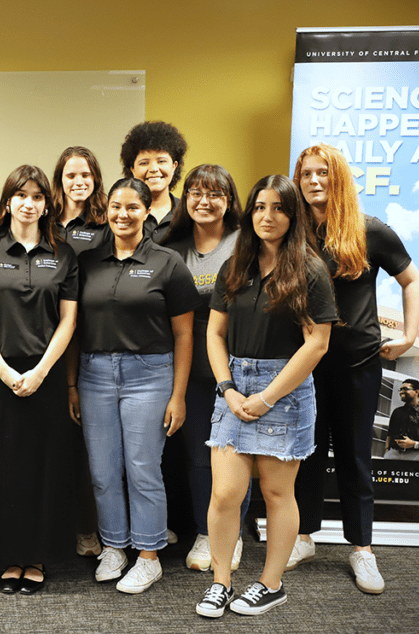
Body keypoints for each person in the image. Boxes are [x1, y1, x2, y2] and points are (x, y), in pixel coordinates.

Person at [196, 175, 337, 618]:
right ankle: (221, 582)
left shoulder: (311, 271)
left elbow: (317, 344)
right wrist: (228, 388)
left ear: (292, 216)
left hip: (286, 390)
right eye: (259, 207)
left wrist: (269, 398)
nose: (267, 216)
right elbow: (214, 332)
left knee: (278, 495)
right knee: (224, 494)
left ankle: (270, 584)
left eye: (277, 208)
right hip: (234, 384)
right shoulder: (234, 267)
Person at [290, 143, 419, 594]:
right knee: (305, 454)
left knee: (354, 458)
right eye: (306, 173)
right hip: (304, 363)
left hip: (358, 363)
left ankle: (362, 549)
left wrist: (407, 335)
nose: (313, 181)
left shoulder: (370, 231)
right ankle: (303, 536)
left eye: (322, 173)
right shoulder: (294, 233)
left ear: (338, 177)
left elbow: (412, 279)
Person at [75, 177, 199, 593]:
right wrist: (73, 385)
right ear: (105, 210)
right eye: (115, 206)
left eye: (132, 207)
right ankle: (114, 547)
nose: (122, 215)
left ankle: (148, 555)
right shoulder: (88, 261)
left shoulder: (167, 263)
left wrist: (178, 395)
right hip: (94, 374)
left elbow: (185, 335)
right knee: (103, 470)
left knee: (143, 467)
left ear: (147, 211)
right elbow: (74, 327)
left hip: (150, 375)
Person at [0, 165, 78, 595]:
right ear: (8, 201)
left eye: (37, 196)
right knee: (2, 467)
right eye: (21, 195)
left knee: (44, 467)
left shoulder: (63, 253)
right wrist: (0, 368)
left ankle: (36, 557)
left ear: (46, 203)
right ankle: (8, 557)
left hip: (45, 374)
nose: (29, 203)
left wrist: (40, 371)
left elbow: (69, 320)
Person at [161, 164, 248, 572]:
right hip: (188, 361)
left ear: (229, 201)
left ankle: (234, 534)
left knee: (237, 452)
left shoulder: (247, 242)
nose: (204, 200)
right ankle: (204, 530)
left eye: (215, 193)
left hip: (240, 360)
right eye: (195, 191)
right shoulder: (170, 246)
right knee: (199, 455)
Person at [52, 146, 108, 558]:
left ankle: (88, 529)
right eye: (71, 175)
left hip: (90, 341)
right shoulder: (45, 223)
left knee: (86, 445)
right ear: (60, 180)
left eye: (86, 174)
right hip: (44, 340)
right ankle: (52, 526)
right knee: (52, 444)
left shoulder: (106, 225)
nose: (79, 181)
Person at [119, 121, 188, 243]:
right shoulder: (121, 215)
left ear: (174, 166)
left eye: (161, 161)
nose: (154, 169)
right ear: (132, 169)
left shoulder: (188, 213)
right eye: (144, 163)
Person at [384, 379, 419, 460]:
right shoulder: (397, 412)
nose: (401, 392)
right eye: (401, 389)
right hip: (393, 454)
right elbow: (389, 434)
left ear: (417, 392)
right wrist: (387, 451)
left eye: (405, 389)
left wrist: (415, 444)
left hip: (413, 456)